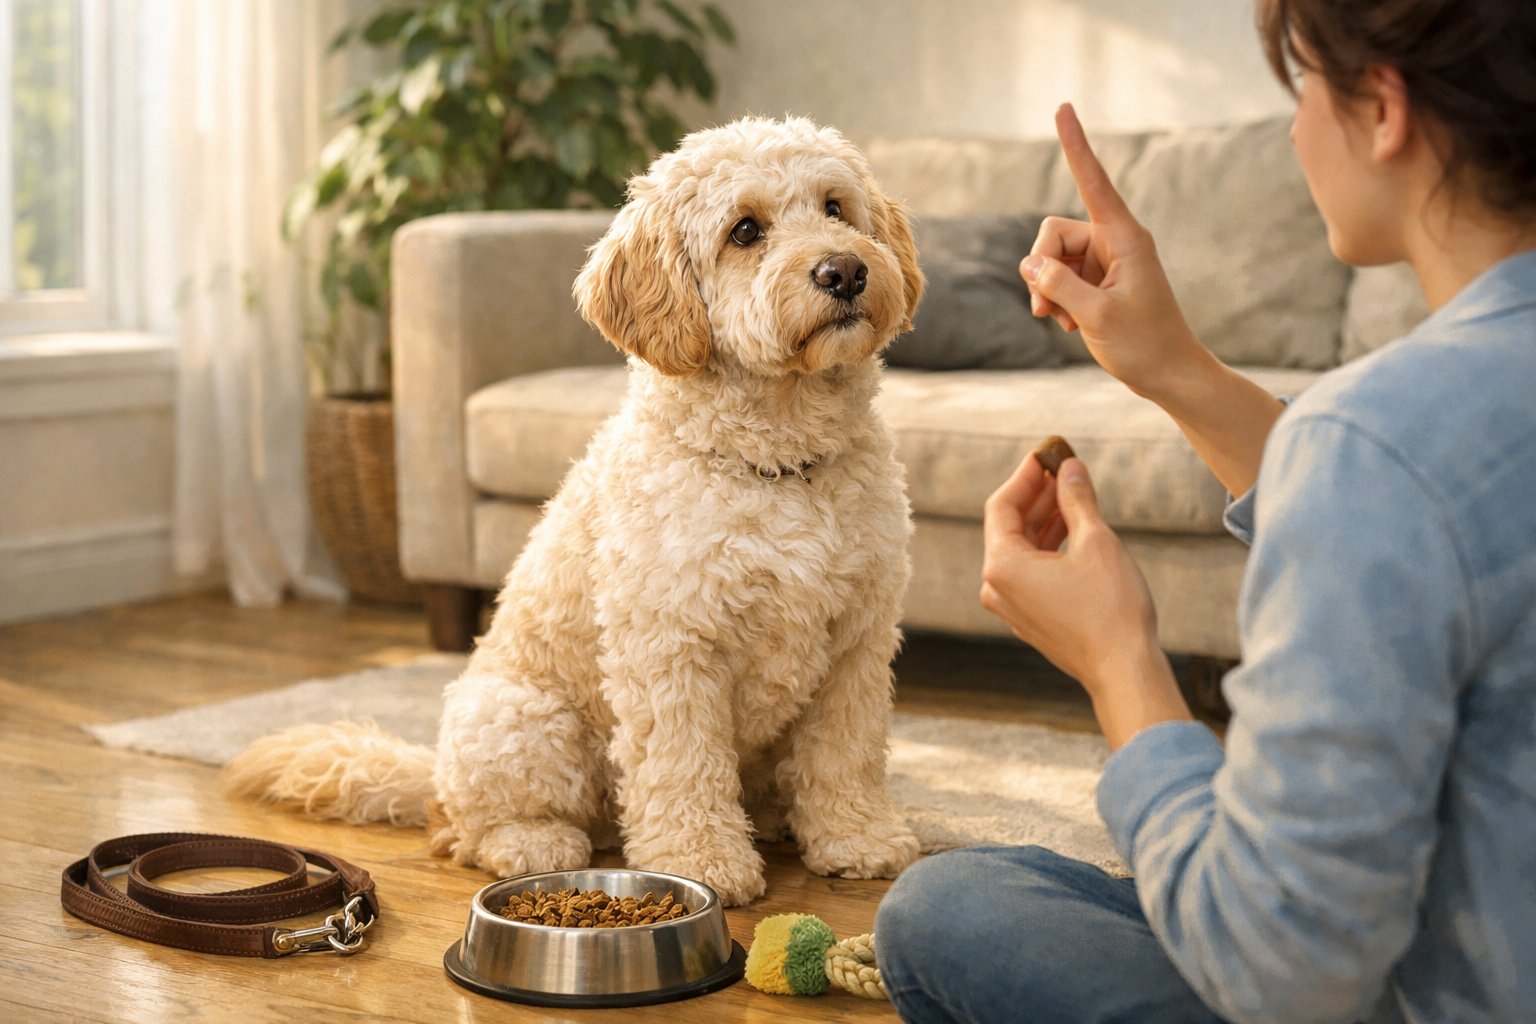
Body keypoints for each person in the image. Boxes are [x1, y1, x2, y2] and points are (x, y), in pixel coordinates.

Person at [874, 0, 1536, 1021]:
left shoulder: (1373, 444)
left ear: (1386, 109)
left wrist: (1120, 661)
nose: (1294, 129)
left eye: (1304, 88)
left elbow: (1280, 973)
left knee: (944, 906)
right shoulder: (1405, 447)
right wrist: (1173, 366)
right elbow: (1437, 520)